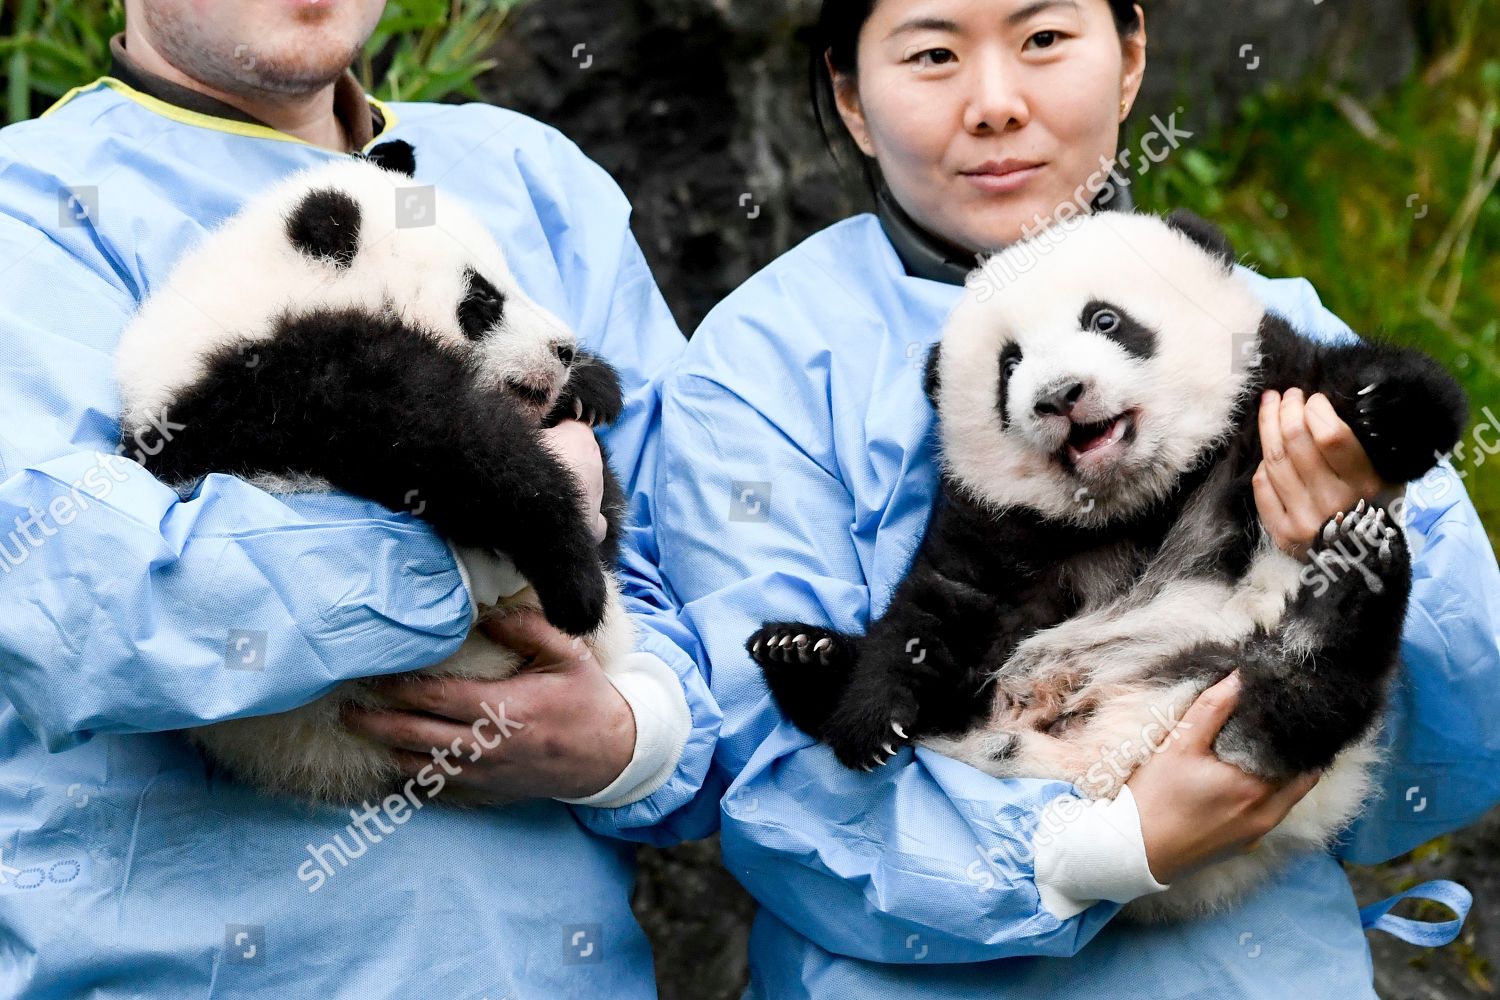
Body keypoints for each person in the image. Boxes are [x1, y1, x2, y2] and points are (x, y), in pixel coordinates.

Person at [651, 0, 1500, 996]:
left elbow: (1455, 744)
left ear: (1132, 54)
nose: (996, 102)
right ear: (850, 95)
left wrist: (1358, 516)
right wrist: (1091, 851)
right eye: (932, 53)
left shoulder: (1264, 320)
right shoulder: (762, 369)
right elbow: (775, 796)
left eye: (1044, 36)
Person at [0, 1, 720, 996]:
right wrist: (484, 547)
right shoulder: (28, 208)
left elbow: (709, 579)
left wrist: (633, 735)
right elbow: (85, 608)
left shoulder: (532, 177)